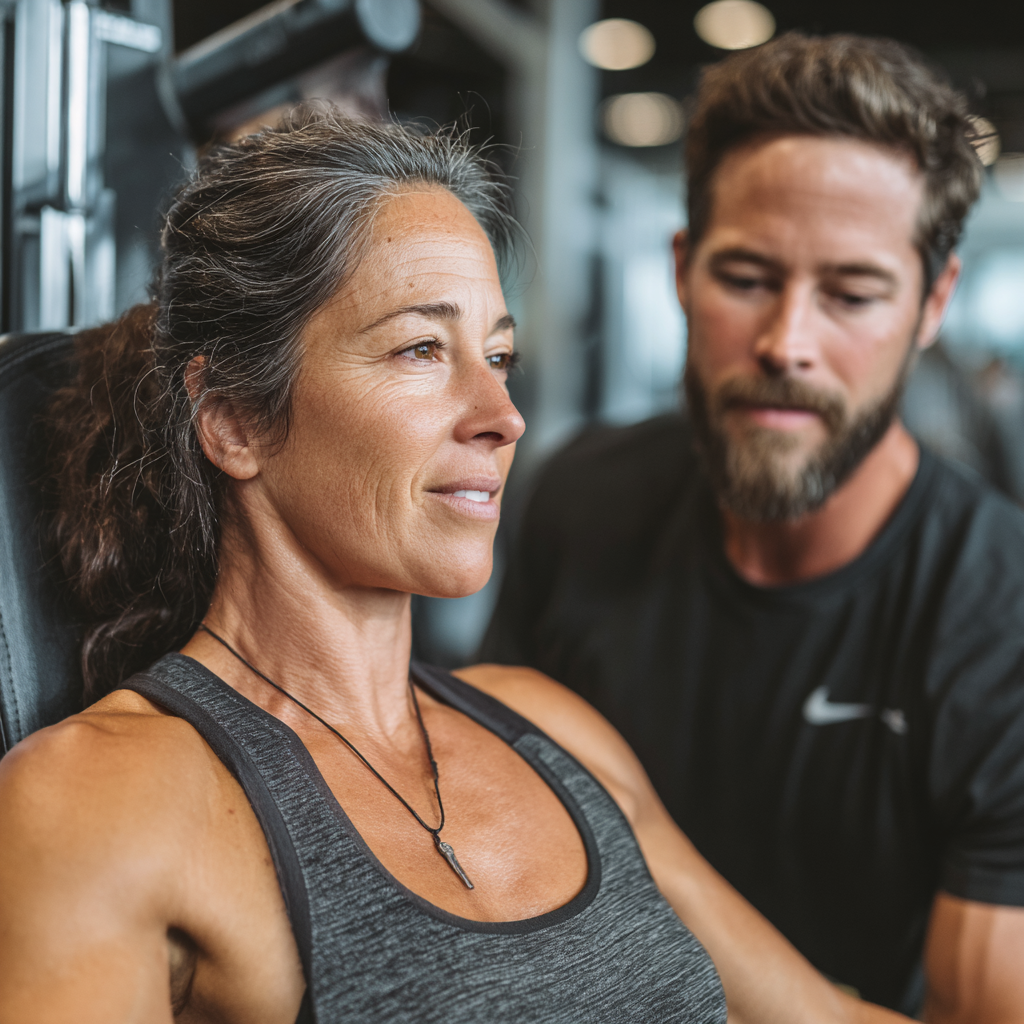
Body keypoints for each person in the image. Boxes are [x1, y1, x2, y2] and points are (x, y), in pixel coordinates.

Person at [0, 106, 909, 1024]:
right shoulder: (108, 802)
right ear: (234, 419)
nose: (503, 415)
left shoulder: (552, 730)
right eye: (421, 348)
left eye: (499, 355)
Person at [482, 33, 1024, 1022]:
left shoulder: (1002, 613)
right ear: (682, 270)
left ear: (933, 303)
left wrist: (646, 842)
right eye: (744, 277)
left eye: (851, 294)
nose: (786, 343)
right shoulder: (579, 499)